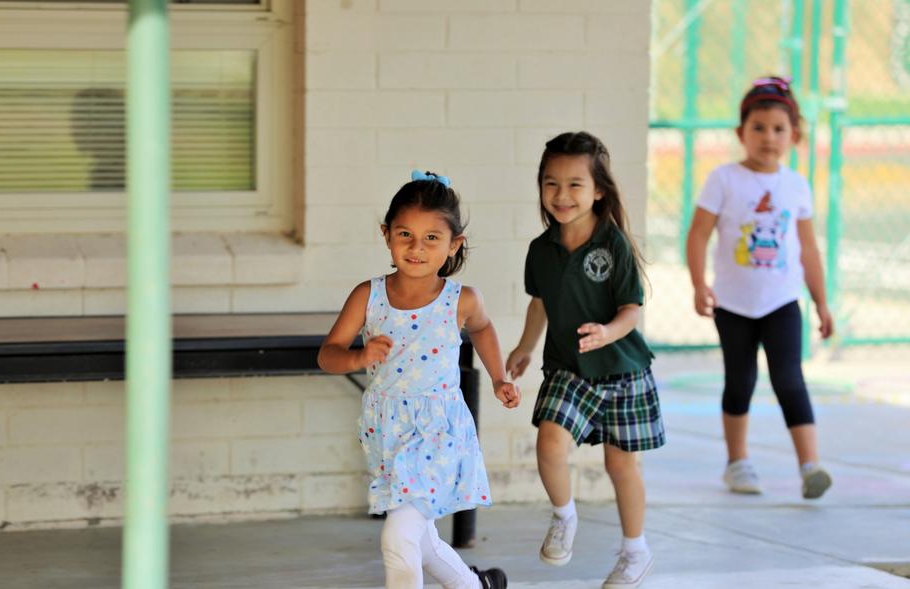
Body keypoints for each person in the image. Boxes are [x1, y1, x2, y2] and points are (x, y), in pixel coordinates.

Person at [318, 170, 520, 589]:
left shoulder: (461, 299)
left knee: (399, 536)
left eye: (432, 238)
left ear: (453, 245)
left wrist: (499, 376)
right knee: (420, 539)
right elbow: (328, 355)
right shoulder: (367, 296)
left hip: (438, 431)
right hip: (387, 431)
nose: (416, 247)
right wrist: (358, 355)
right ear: (386, 234)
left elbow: (482, 329)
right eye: (406, 234)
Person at [506, 132, 664, 589]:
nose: (561, 195)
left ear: (598, 190)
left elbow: (632, 310)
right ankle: (564, 517)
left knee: (621, 466)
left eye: (575, 184)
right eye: (551, 183)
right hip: (567, 368)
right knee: (550, 442)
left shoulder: (613, 244)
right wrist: (524, 347)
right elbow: (541, 303)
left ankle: (636, 552)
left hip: (623, 370)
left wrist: (607, 332)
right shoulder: (541, 250)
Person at [685, 76, 834, 500]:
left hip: (783, 302)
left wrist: (821, 302)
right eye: (759, 128)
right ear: (741, 133)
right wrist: (699, 284)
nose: (769, 137)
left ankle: (810, 466)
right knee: (741, 380)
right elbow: (698, 234)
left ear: (794, 135)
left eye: (778, 129)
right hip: (733, 305)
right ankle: (738, 463)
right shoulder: (724, 179)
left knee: (790, 378)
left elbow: (807, 248)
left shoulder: (796, 185)